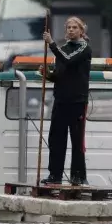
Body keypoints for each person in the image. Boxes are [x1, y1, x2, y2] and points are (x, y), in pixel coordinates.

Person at [39, 16, 92, 186]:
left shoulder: (84, 48)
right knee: (56, 138)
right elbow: (60, 73)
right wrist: (48, 74)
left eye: (74, 27)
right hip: (61, 99)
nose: (71, 30)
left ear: (81, 31)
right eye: (68, 27)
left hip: (77, 100)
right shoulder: (63, 48)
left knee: (76, 140)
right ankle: (55, 175)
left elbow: (68, 61)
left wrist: (51, 44)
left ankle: (78, 176)